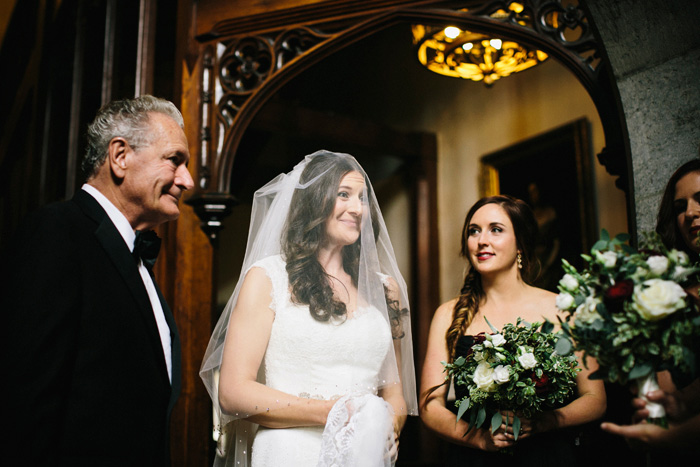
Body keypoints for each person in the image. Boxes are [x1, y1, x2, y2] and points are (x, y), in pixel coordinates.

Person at [0, 95, 194, 466]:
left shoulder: (132, 254)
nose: (187, 180)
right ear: (120, 156)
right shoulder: (56, 233)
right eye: (175, 160)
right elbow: (26, 401)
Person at [200, 150, 417, 467]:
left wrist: (386, 428)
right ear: (315, 200)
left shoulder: (384, 289)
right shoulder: (267, 278)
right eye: (344, 195)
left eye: (363, 198)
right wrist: (336, 412)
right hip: (290, 452)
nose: (357, 209)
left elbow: (394, 393)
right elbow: (233, 392)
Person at [419, 195, 606, 466]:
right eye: (474, 231)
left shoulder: (561, 309)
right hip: (475, 458)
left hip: (547, 456)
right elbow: (430, 405)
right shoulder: (448, 315)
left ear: (521, 243)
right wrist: (480, 439)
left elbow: (595, 399)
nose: (482, 240)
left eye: (496, 229)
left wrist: (543, 423)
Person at [601, 158, 700, 451]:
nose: (691, 213)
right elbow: (664, 382)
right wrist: (663, 406)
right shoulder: (669, 290)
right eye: (680, 207)